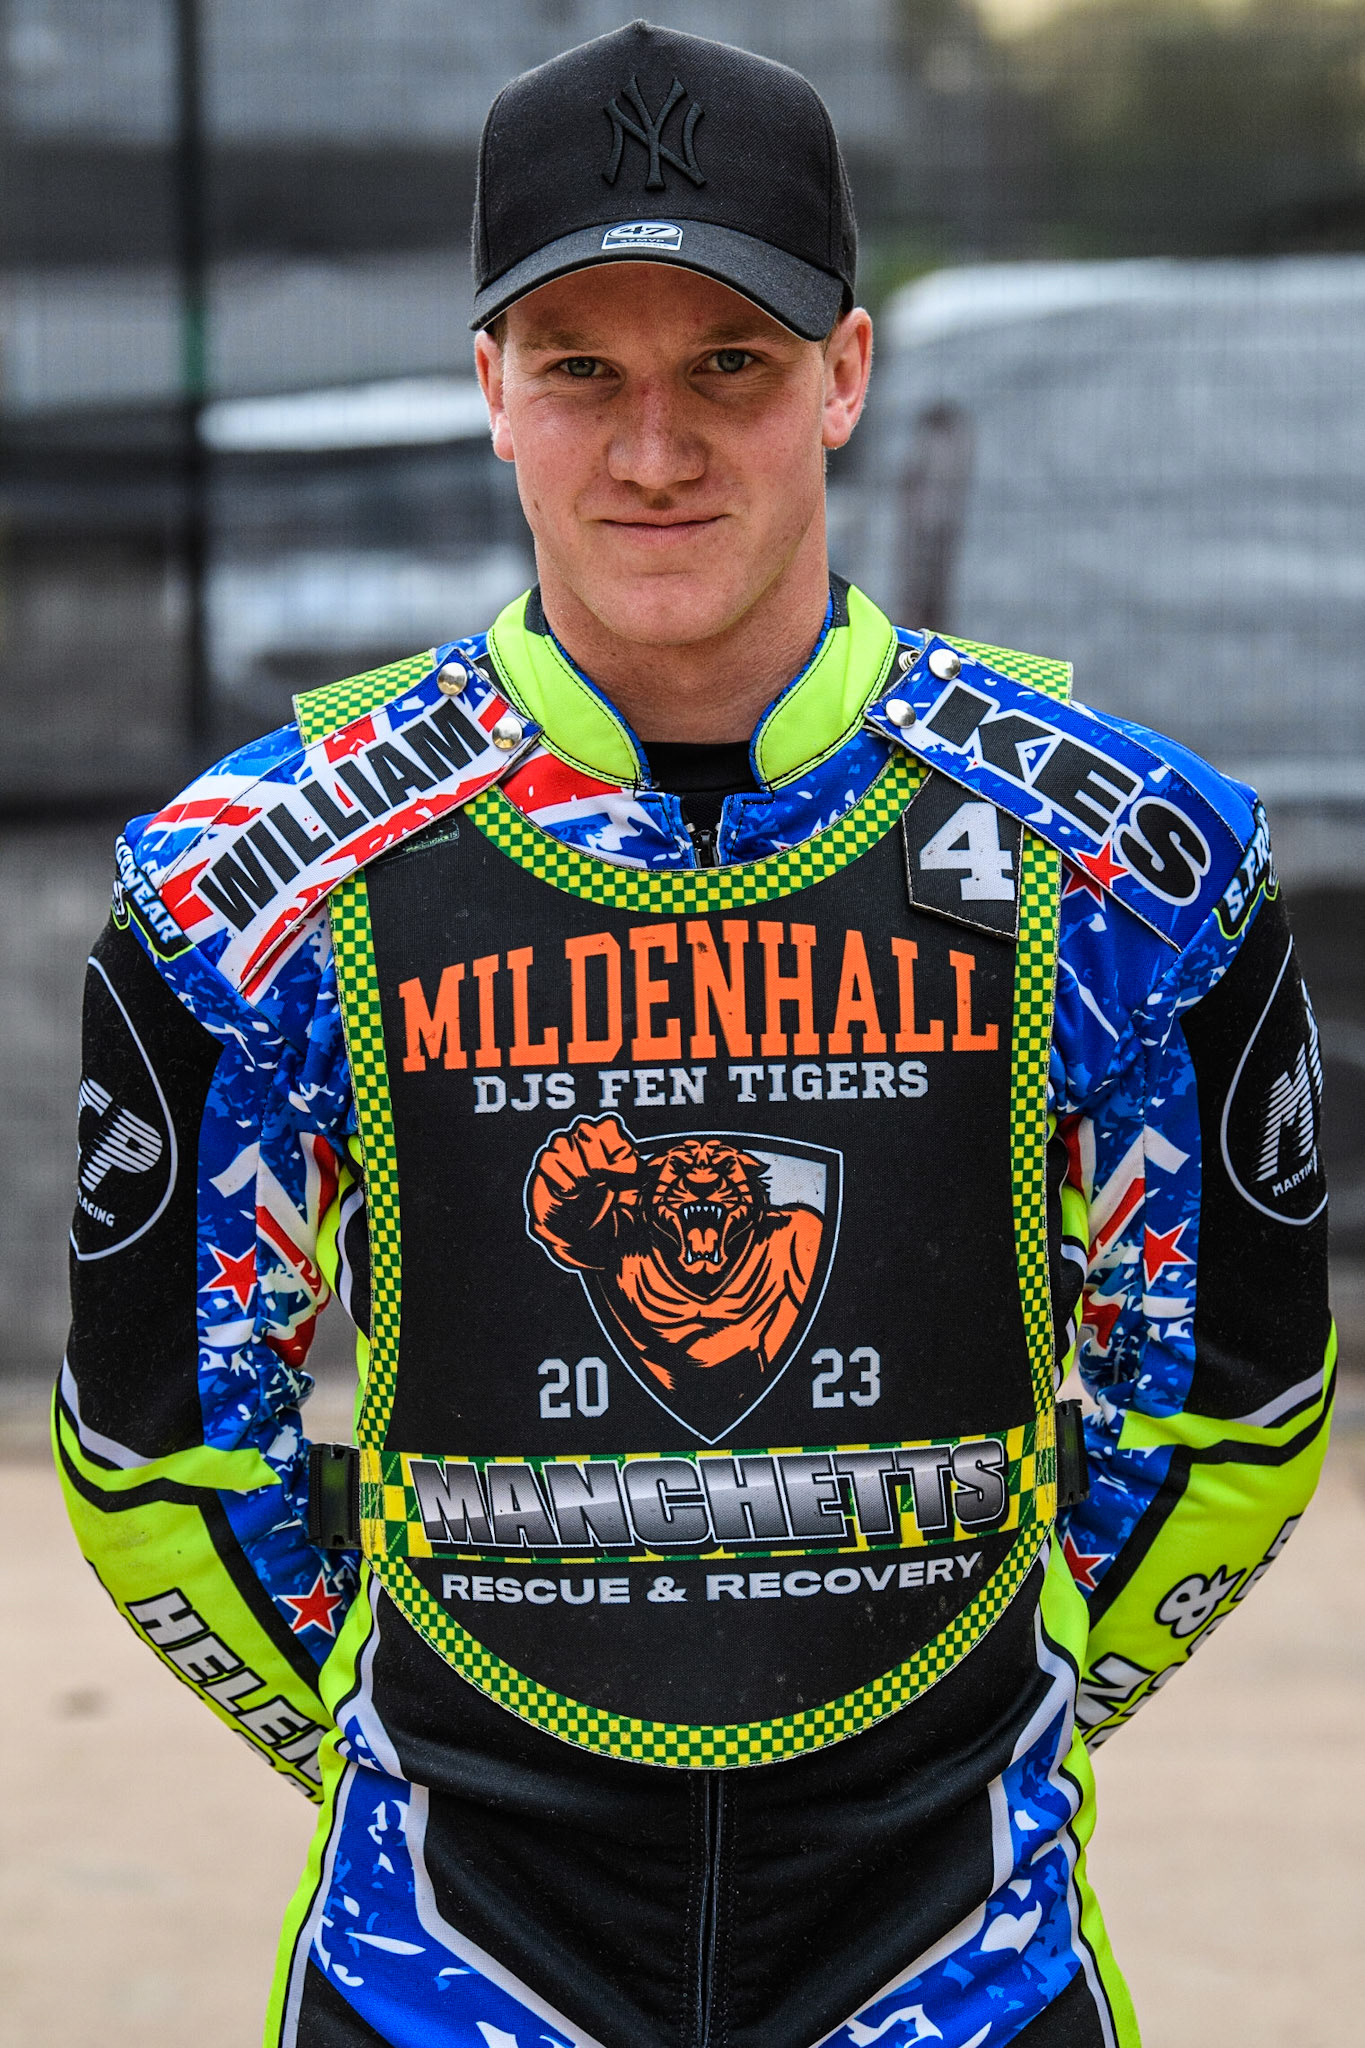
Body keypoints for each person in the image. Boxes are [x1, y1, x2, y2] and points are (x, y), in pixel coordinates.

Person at [59, 21, 1334, 2048]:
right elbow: (156, 1459)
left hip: (954, 1962)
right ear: (488, 388)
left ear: (842, 372)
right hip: (449, 1967)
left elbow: (1233, 1411)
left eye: (725, 365)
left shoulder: (1125, 855)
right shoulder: (253, 884)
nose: (654, 450)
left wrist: (999, 1702)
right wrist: (402, 1751)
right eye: (583, 370)